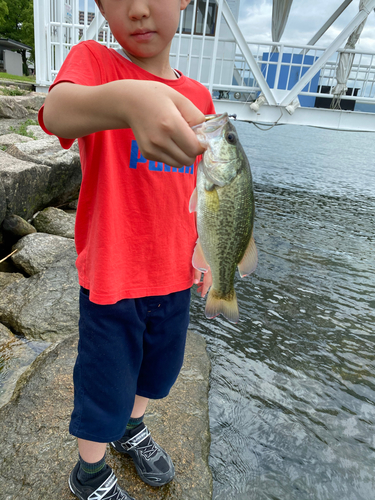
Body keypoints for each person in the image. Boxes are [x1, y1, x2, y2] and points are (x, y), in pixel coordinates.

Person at [39, 0, 214, 499]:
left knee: (158, 368)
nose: (138, 10)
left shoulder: (198, 96)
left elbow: (208, 184)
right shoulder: (94, 63)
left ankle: (130, 427)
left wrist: (203, 244)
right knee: (104, 382)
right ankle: (89, 471)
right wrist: (130, 100)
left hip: (175, 274)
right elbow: (57, 114)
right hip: (113, 276)